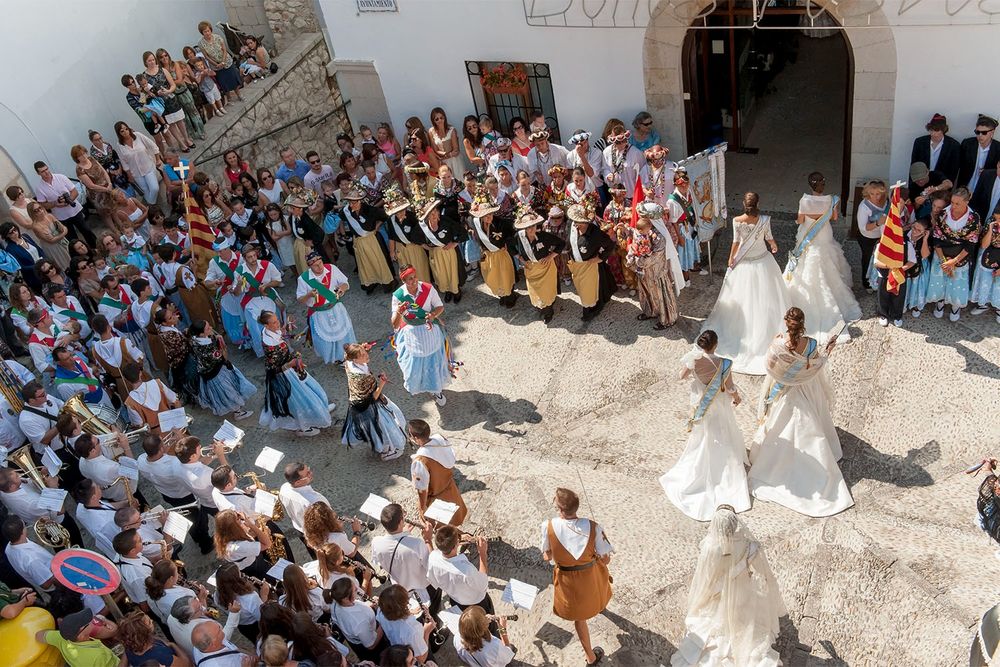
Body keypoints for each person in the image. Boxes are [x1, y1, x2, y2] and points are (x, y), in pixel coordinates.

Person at [748, 307, 854, 517]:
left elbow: (769, 367)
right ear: (803, 324)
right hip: (807, 388)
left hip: (784, 390)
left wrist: (784, 371)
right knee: (813, 420)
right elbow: (815, 364)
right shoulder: (812, 343)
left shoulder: (778, 343)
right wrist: (829, 348)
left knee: (779, 423)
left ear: (786, 323)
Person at [670, 506, 784, 667]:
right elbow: (764, 575)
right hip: (742, 597)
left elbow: (705, 578)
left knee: (716, 624)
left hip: (718, 597)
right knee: (744, 626)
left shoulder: (709, 547)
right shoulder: (750, 546)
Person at [659, 330, 750, 520]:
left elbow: (681, 376)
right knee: (723, 428)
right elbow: (730, 385)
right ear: (715, 345)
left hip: (701, 401)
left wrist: (691, 360)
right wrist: (736, 397)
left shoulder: (694, 359)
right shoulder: (724, 363)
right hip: (718, 401)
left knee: (703, 432)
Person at [701, 192, 788, 375]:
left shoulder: (737, 220)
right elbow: (769, 238)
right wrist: (774, 246)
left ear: (743, 204)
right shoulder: (764, 219)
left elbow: (736, 242)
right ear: (758, 203)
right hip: (763, 261)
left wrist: (731, 258)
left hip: (745, 262)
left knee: (742, 298)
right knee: (767, 297)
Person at [784, 172, 861, 339]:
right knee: (830, 260)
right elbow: (833, 218)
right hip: (824, 234)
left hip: (809, 235)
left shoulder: (804, 201)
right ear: (823, 184)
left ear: (810, 185)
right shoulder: (832, 200)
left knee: (805, 261)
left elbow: (800, 220)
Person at [542, 487, 612, 667]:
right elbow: (606, 559)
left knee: (580, 619)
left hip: (567, 579)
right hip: (589, 575)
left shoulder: (548, 526)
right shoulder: (593, 526)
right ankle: (598, 607)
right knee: (599, 592)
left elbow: (547, 556)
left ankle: (590, 658)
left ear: (559, 509)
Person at [258, 310, 334, 436]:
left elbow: (280, 334)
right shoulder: (269, 345)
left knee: (310, 390)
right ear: (266, 326)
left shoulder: (269, 332)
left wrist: (285, 328)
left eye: (277, 320)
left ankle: (321, 411)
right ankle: (304, 428)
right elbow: (274, 369)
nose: (278, 323)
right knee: (300, 401)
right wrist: (291, 364)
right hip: (285, 376)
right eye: (275, 322)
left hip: (293, 368)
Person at [391, 265, 453, 406]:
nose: (414, 281)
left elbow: (440, 307)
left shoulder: (428, 288)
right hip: (410, 331)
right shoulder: (398, 296)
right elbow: (394, 324)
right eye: (409, 279)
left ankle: (436, 389)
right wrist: (399, 312)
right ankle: (421, 384)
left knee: (433, 359)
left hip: (429, 329)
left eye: (415, 277)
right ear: (403, 281)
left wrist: (433, 314)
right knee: (414, 363)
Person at [341, 342, 406, 460]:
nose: (366, 355)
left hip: (359, 404)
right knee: (385, 426)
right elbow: (373, 397)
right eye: (362, 355)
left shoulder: (348, 363)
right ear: (355, 359)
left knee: (377, 429)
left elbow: (349, 352)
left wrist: (363, 348)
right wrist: (381, 383)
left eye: (365, 352)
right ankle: (393, 448)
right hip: (370, 406)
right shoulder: (362, 377)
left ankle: (384, 447)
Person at [371, 504, 439, 613]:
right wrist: (428, 539)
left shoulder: (376, 542)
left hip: (400, 588)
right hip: (423, 588)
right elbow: (432, 567)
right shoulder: (417, 544)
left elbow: (382, 560)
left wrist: (404, 534)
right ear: (401, 522)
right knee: (432, 610)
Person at [926, 187, 981, 322]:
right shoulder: (943, 213)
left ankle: (955, 305)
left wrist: (953, 261)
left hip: (960, 256)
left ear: (967, 202)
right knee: (939, 281)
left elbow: (971, 243)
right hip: (941, 254)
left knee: (957, 282)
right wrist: (943, 260)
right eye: (952, 202)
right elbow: (937, 237)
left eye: (958, 204)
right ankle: (940, 301)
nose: (953, 207)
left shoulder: (974, 218)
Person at [296, 251, 356, 364]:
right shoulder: (303, 279)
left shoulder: (331, 268)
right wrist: (309, 295)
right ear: (309, 266)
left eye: (320, 262)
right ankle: (336, 359)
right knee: (327, 339)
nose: (319, 266)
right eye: (315, 265)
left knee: (343, 334)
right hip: (319, 313)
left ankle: (349, 355)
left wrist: (342, 288)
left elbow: (346, 283)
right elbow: (300, 299)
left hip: (336, 308)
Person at [188, 319, 255, 418]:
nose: (211, 328)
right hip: (216, 373)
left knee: (225, 392)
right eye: (207, 328)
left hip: (208, 371)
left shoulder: (194, 340)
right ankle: (238, 413)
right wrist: (221, 343)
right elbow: (223, 355)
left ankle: (237, 410)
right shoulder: (207, 349)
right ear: (201, 334)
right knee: (228, 392)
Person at [626, 205, 679, 329]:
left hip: (657, 273)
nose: (640, 217)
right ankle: (651, 312)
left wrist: (635, 261)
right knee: (647, 292)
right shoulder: (644, 230)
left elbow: (653, 257)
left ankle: (668, 319)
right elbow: (635, 236)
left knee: (661, 295)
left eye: (643, 216)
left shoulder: (659, 237)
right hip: (645, 273)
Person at [409, 419, 467, 526]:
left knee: (444, 527)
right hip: (450, 488)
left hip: (437, 498)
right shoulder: (440, 439)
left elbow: (422, 489)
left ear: (416, 439)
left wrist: (422, 508)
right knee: (456, 516)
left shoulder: (421, 461)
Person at [566, 202, 615, 321]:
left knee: (589, 290)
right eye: (575, 221)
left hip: (589, 266)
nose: (576, 224)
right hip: (576, 265)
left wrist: (599, 258)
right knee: (582, 289)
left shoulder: (596, 233)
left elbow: (609, 245)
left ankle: (590, 310)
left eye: (579, 222)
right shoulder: (571, 225)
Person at [513, 206, 563, 323]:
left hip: (545, 268)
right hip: (530, 269)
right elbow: (510, 246)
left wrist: (550, 256)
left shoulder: (543, 236)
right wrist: (520, 258)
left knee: (546, 291)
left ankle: (548, 312)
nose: (531, 229)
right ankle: (542, 306)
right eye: (528, 227)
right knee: (535, 291)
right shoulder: (519, 237)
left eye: (533, 226)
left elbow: (561, 243)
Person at [470, 185, 517, 307]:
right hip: (488, 255)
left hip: (501, 254)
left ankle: (510, 296)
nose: (488, 217)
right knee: (494, 277)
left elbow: (513, 234)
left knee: (506, 276)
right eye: (485, 215)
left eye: (490, 214)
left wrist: (507, 243)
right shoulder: (476, 222)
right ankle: (501, 294)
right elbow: (470, 221)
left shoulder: (501, 222)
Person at [342, 187, 397, 293]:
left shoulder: (369, 209)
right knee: (366, 264)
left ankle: (387, 283)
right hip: (359, 242)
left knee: (380, 262)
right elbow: (340, 219)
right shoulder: (346, 211)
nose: (352, 205)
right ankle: (371, 283)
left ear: (360, 201)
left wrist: (377, 226)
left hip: (373, 240)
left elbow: (386, 215)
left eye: (355, 202)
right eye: (350, 202)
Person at [428, 525, 492, 613]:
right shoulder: (466, 570)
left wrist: (458, 541)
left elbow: (433, 581)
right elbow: (483, 585)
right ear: (455, 546)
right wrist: (482, 553)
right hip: (477, 604)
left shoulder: (432, 558)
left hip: (456, 601)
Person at [235, 242, 283, 357]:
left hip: (268, 296)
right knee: (255, 329)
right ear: (244, 258)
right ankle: (264, 352)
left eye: (254, 255)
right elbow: (237, 293)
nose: (253, 259)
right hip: (251, 300)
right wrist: (239, 284)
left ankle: (281, 344)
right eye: (249, 257)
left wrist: (267, 285)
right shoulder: (239, 271)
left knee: (275, 322)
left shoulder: (267, 265)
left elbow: (278, 280)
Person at [33, 161, 96, 247]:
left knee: (87, 231)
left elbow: (74, 191)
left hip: (74, 210)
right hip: (61, 217)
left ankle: (96, 248)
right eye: (43, 171)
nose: (46, 172)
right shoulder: (39, 188)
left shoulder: (61, 177)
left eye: (47, 169)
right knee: (72, 239)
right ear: (38, 173)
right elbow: (42, 204)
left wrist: (68, 201)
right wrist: (55, 204)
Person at [35, 608, 126, 667]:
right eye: (88, 623)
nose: (92, 621)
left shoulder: (61, 637)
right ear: (81, 636)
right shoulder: (98, 656)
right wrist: (127, 654)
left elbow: (39, 635)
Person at [328, 577, 387, 661]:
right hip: (373, 648)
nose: (357, 588)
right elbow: (371, 645)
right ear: (345, 599)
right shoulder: (359, 622)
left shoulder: (335, 602)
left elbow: (353, 605)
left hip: (355, 640)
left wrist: (366, 605)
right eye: (355, 590)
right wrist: (383, 621)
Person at [376, 585, 437, 665]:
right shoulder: (412, 629)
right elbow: (421, 659)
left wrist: (409, 612)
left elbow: (394, 615)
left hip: (397, 648)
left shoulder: (381, 610)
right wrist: (426, 631)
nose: (408, 602)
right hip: (413, 658)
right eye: (407, 603)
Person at [215, 561, 269, 643]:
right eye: (240, 574)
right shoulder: (251, 598)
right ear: (236, 580)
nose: (242, 574)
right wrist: (264, 595)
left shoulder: (217, 595)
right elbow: (263, 616)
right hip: (257, 626)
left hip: (243, 627)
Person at [114, 120, 162, 210]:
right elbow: (124, 162)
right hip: (136, 172)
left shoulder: (138, 136)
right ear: (119, 133)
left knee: (154, 188)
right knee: (146, 191)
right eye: (122, 131)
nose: (125, 132)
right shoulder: (120, 145)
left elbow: (153, 145)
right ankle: (153, 208)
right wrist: (129, 175)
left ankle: (150, 207)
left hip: (148, 167)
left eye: (126, 129)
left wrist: (158, 159)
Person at [118, 609, 192, 667]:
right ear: (143, 632)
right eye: (149, 622)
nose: (152, 621)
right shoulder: (161, 655)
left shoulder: (131, 646)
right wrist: (173, 645)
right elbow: (187, 664)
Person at [123, 362, 180, 434]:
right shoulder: (157, 383)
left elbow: (140, 426)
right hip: (173, 426)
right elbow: (175, 401)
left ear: (126, 379)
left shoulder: (130, 402)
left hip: (157, 436)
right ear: (140, 373)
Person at [278, 462, 331, 539]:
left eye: (309, 470)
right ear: (298, 482)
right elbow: (328, 520)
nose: (311, 473)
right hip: (319, 535)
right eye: (307, 474)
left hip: (300, 530)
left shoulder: (284, 488)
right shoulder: (315, 500)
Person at [197, 21, 243, 105]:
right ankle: (229, 99)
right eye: (205, 32)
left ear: (210, 30)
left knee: (233, 79)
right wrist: (216, 64)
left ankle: (239, 94)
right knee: (224, 82)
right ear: (202, 33)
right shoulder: (201, 43)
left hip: (226, 61)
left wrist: (223, 61)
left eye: (208, 30)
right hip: (216, 65)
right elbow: (206, 56)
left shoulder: (217, 37)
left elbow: (224, 50)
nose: (207, 33)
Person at [911, 113, 960, 188]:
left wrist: (945, 188)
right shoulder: (919, 142)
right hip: (920, 183)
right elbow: (914, 166)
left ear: (943, 130)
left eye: (936, 130)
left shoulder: (954, 145)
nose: (933, 133)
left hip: (941, 185)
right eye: (931, 130)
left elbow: (953, 171)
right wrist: (912, 187)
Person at [856, 180, 889, 291]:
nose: (875, 197)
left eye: (878, 194)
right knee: (867, 258)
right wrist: (878, 223)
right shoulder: (864, 207)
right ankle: (866, 283)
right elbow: (863, 227)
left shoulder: (886, 201)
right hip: (867, 237)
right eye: (872, 194)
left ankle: (877, 280)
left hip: (882, 235)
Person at [971, 206, 1000, 323]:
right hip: (990, 253)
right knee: (985, 280)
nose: (998, 222)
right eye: (996, 219)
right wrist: (991, 228)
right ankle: (983, 303)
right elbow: (983, 245)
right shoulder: (991, 222)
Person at [958, 114, 1000, 191]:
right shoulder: (967, 144)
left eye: (984, 133)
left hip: (985, 190)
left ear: (992, 132)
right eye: (977, 132)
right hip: (965, 189)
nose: (980, 135)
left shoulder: (998, 148)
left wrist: (988, 172)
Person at [191, 618, 256, 667]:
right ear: (213, 644)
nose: (222, 629)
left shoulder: (199, 644)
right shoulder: (215, 665)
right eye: (219, 631)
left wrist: (243, 651)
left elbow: (232, 648)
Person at [602, 123, 645, 196]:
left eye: (624, 140)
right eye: (618, 142)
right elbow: (604, 169)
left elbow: (643, 173)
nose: (621, 144)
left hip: (631, 194)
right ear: (613, 141)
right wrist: (608, 176)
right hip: (614, 195)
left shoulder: (636, 153)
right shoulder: (606, 152)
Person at [26, 201, 70, 271]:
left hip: (62, 242)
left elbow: (64, 228)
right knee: (63, 264)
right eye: (36, 211)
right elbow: (51, 241)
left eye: (40, 208)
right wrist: (61, 233)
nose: (40, 211)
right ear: (32, 214)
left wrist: (59, 234)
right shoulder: (36, 226)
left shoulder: (50, 216)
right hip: (53, 248)